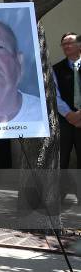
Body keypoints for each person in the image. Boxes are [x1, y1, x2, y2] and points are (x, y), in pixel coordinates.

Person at [53, 32, 81, 169]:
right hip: (65, 122)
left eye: (70, 42)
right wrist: (70, 115)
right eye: (64, 44)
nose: (67, 46)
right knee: (61, 160)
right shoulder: (55, 69)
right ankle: (59, 190)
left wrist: (79, 115)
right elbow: (54, 95)